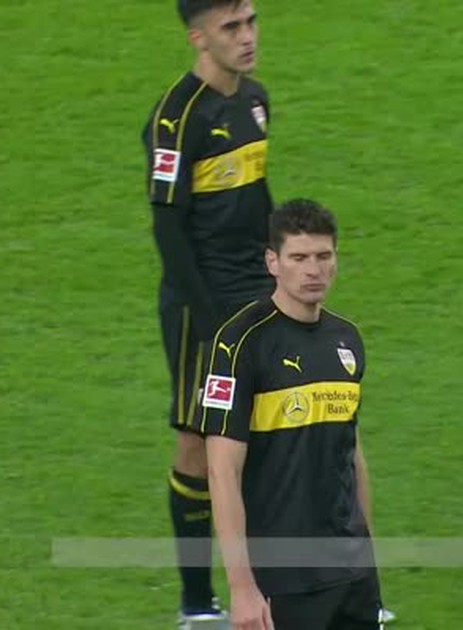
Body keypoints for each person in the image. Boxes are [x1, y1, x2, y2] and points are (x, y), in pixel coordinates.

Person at [142, 0, 272, 624]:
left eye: (251, 22)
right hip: (204, 304)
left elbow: (257, 195)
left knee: (282, 426)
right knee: (199, 440)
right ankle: (197, 602)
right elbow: (168, 230)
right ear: (199, 37)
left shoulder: (255, 99)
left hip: (259, 289)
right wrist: (211, 316)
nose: (247, 37)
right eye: (231, 28)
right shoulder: (176, 118)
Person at [201, 199, 385, 630]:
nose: (313, 270)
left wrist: (367, 554)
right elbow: (222, 471)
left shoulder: (347, 340)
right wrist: (242, 587)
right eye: (299, 258)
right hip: (283, 579)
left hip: (352, 574)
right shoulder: (239, 345)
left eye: (323, 256)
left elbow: (352, 455)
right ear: (273, 262)